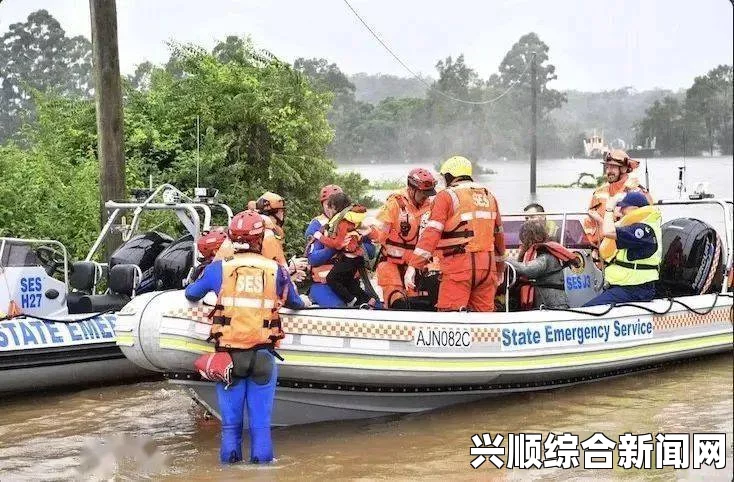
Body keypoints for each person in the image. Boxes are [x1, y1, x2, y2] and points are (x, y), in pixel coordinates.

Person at [185, 210, 304, 464]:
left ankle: (229, 473)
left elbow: (191, 294)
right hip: (262, 356)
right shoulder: (277, 271)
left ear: (231, 238)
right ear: (260, 239)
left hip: (228, 359)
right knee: (261, 427)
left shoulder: (219, 269)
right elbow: (295, 301)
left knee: (230, 428)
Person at [404, 156, 506, 312]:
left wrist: (413, 266)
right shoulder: (489, 196)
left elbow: (431, 233)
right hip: (487, 269)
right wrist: (499, 269)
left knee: (450, 319)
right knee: (484, 324)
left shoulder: (446, 196)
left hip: (459, 269)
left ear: (449, 176)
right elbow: (499, 236)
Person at [370, 168, 437, 307]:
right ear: (411, 189)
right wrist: (368, 232)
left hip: (415, 264)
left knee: (422, 302)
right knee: (398, 302)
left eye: (428, 193)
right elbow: (380, 232)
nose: (426, 196)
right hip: (391, 263)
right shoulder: (395, 204)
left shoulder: (430, 207)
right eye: (423, 193)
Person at [583, 191, 662, 306]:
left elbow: (609, 231)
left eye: (623, 207)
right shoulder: (635, 226)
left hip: (636, 289)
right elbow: (613, 232)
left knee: (588, 310)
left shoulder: (644, 230)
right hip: (625, 286)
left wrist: (609, 209)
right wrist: (600, 220)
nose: (619, 211)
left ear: (635, 209)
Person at [305, 185, 376, 307]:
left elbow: (371, 252)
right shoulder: (316, 226)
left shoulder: (353, 221)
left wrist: (355, 244)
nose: (330, 208)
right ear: (322, 205)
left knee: (377, 307)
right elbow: (313, 258)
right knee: (339, 307)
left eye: (333, 204)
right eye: (327, 204)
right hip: (323, 283)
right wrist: (336, 246)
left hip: (350, 281)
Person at [584, 149, 653, 246]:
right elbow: (589, 224)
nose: (608, 171)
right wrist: (593, 248)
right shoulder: (599, 193)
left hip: (625, 253)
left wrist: (601, 221)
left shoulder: (638, 193)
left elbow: (641, 229)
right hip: (601, 253)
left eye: (613, 167)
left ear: (624, 169)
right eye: (607, 167)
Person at [506, 219, 577, 310]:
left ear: (530, 237)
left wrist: (505, 259)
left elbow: (528, 269)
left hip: (555, 306)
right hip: (544, 306)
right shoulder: (538, 253)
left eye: (523, 239)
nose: (521, 242)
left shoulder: (546, 256)